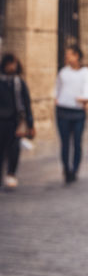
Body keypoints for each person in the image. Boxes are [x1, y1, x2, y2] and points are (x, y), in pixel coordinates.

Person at [55, 45, 88, 184]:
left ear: (77, 55)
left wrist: (82, 99)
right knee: (65, 143)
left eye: (69, 54)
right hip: (63, 110)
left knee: (77, 142)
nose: (66, 57)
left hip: (78, 112)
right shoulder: (63, 72)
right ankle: (66, 168)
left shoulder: (86, 73)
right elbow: (57, 90)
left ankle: (75, 169)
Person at [0, 53, 34, 190]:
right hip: (1, 121)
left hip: (16, 122)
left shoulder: (19, 82)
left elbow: (26, 104)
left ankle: (11, 174)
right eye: (9, 64)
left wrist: (30, 124)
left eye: (13, 64)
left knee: (14, 150)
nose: (11, 67)